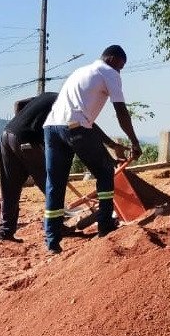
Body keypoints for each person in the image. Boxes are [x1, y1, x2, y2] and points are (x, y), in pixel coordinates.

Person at [42, 45, 143, 254]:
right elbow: (121, 111)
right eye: (121, 66)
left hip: (51, 128)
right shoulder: (109, 73)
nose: (120, 71)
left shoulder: (80, 72)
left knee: (55, 184)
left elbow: (85, 121)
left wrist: (111, 145)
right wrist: (134, 142)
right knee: (105, 173)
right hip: (75, 128)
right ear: (112, 59)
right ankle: (105, 226)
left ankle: (52, 241)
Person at [0, 92, 58, 243]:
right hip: (27, 139)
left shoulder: (44, 97)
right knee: (52, 185)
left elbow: (18, 104)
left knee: (10, 186)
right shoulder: (67, 103)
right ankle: (56, 227)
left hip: (7, 134)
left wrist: (21, 125)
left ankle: (5, 232)